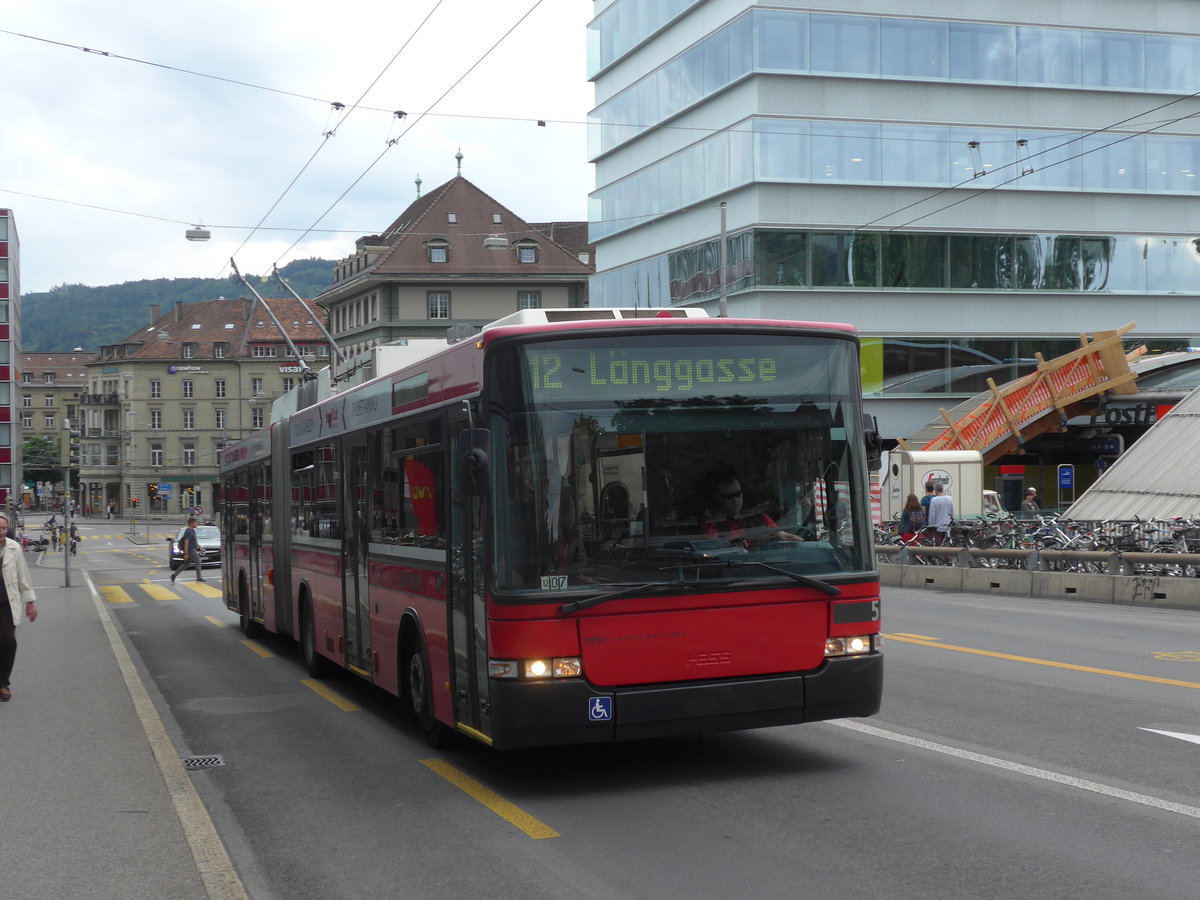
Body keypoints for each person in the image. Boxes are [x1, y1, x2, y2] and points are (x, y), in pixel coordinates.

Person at [702, 472, 804, 545]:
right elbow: (714, 547)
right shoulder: (712, 523)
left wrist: (803, 543)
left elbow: (780, 535)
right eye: (729, 497)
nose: (735, 500)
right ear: (718, 498)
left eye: (738, 494)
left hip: (767, 566)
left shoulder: (758, 516)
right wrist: (732, 545)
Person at [0, 512, 39, 702]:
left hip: (7, 604)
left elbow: (23, 577)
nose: (1, 531)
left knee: (8, 641)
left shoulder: (14, 547)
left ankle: (3, 683)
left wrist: (30, 603)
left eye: (4, 528)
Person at [171, 516, 205, 583]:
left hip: (192, 549)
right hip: (190, 550)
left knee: (186, 564)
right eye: (195, 523)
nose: (196, 524)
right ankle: (199, 578)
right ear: (191, 523)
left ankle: (174, 575)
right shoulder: (188, 531)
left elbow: (194, 541)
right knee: (198, 561)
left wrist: (200, 547)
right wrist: (186, 554)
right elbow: (186, 543)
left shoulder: (192, 530)